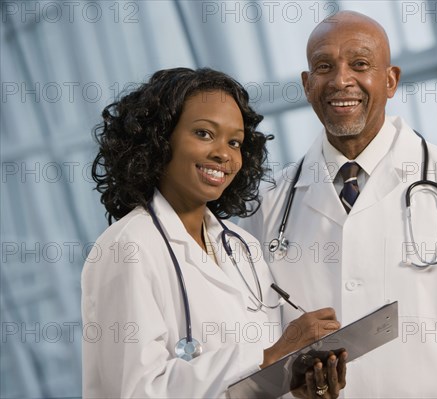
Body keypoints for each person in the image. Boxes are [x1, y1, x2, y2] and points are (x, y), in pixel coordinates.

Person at [240, 11, 437, 398]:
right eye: (324, 67)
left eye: (360, 64)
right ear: (308, 85)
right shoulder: (271, 204)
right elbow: (257, 340)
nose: (342, 80)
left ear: (391, 80)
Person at [82, 67, 347, 398]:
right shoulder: (128, 248)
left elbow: (258, 380)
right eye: (204, 133)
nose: (223, 153)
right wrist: (271, 356)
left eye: (234, 141)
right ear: (160, 139)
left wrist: (298, 387)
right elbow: (137, 390)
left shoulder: (243, 248)